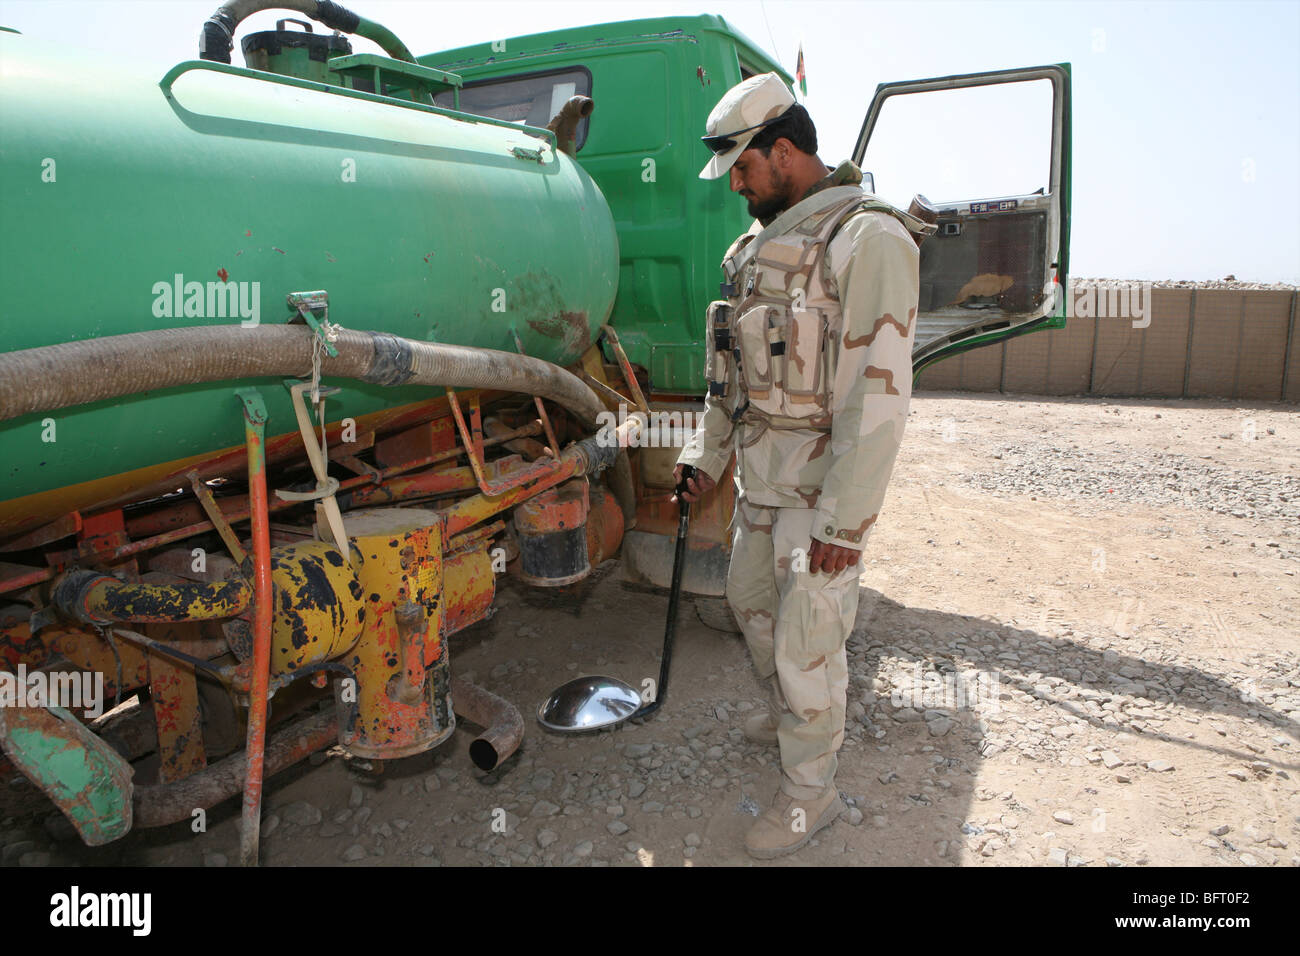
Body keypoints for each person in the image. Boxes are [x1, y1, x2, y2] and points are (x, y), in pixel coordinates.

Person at [673, 72, 928, 859]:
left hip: (818, 498)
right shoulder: (751, 250)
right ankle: (789, 714)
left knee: (806, 641)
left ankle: (809, 791)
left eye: (744, 169)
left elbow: (877, 399)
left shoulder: (868, 238)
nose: (737, 186)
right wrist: (703, 456)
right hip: (759, 483)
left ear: (784, 151)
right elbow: (730, 380)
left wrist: (844, 527)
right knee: (751, 604)